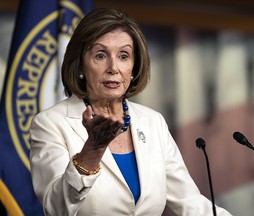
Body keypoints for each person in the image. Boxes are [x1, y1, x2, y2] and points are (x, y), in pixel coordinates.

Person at [30, 8, 233, 216]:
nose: (113, 68)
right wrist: (92, 150)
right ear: (80, 64)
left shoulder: (153, 122)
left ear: (134, 68)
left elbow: (189, 201)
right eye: (100, 55)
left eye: (123, 56)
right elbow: (56, 209)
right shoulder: (50, 123)